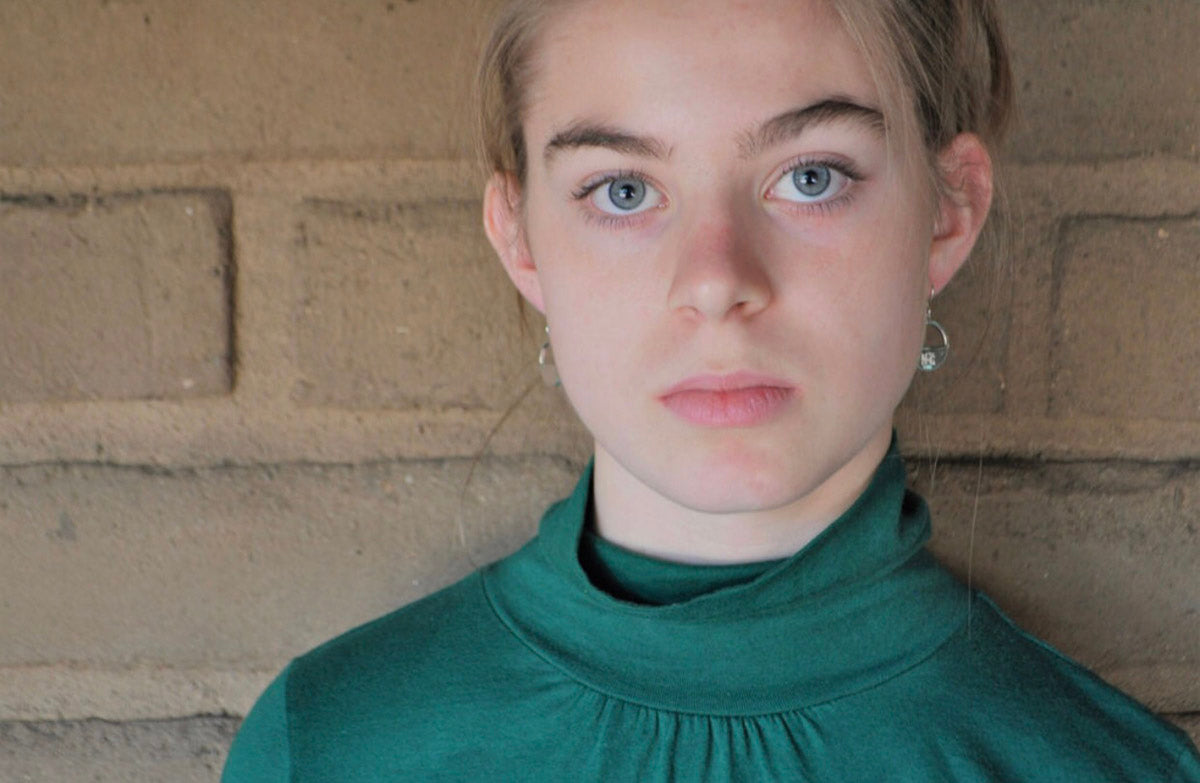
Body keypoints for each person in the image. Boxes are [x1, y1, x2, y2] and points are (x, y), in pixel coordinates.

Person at [222, 0, 1200, 779]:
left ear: (949, 214)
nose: (717, 278)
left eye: (810, 176)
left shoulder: (1103, 768)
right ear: (520, 237)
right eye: (623, 190)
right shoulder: (330, 748)